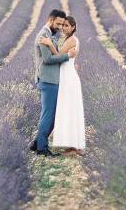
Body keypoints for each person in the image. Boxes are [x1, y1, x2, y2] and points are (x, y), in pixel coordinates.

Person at [31, 9, 76, 156]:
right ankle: (42, 149)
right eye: (58, 23)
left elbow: (54, 52)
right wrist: (67, 56)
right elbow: (48, 59)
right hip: (48, 80)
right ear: (50, 20)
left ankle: (37, 143)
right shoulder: (43, 35)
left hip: (53, 80)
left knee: (53, 114)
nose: (60, 27)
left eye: (62, 24)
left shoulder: (50, 35)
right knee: (48, 115)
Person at [39, 15, 85, 153]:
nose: (63, 27)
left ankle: (73, 145)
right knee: (69, 109)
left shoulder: (71, 40)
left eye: (66, 25)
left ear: (73, 27)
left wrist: (49, 44)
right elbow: (67, 57)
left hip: (69, 78)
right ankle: (72, 143)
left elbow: (59, 55)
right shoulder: (68, 39)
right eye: (63, 25)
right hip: (66, 75)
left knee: (70, 109)